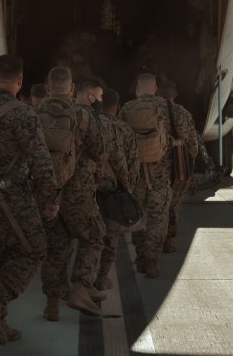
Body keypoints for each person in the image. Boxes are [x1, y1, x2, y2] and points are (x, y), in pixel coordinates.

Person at [0, 54, 59, 346]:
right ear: (19, 81)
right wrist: (51, 197)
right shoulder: (23, 114)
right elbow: (40, 160)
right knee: (34, 250)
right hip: (11, 197)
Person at [40, 71, 108, 321]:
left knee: (56, 248)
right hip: (78, 192)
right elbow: (101, 153)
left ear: (47, 87)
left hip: (48, 193)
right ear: (71, 87)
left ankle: (52, 306)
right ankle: (80, 287)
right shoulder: (83, 115)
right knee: (95, 236)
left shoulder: (35, 114)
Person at [119, 73, 189, 278]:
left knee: (138, 216)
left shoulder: (126, 109)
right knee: (158, 217)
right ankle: (151, 262)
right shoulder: (172, 110)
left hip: (136, 174)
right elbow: (185, 138)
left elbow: (118, 140)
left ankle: (140, 257)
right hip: (162, 174)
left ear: (138, 89)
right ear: (157, 89)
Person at [94, 89, 140, 290]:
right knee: (111, 233)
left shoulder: (90, 122)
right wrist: (128, 189)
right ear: (118, 108)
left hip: (88, 186)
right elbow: (132, 163)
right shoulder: (124, 129)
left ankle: (82, 278)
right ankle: (102, 276)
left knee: (87, 234)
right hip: (112, 190)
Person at [159, 80, 198, 253]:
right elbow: (193, 147)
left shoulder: (154, 111)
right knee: (173, 204)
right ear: (175, 95)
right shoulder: (185, 114)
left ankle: (150, 242)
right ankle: (167, 240)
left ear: (158, 93)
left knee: (155, 204)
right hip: (178, 164)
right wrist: (190, 169)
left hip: (156, 164)